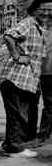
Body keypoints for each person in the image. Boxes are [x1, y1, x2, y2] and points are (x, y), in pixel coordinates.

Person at [0, 0, 52, 157]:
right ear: (35, 9)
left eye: (50, 10)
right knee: (17, 114)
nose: (47, 13)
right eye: (43, 9)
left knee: (18, 113)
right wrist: (16, 55)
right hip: (14, 77)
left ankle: (9, 145)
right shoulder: (29, 23)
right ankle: (15, 149)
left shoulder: (39, 28)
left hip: (24, 79)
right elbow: (8, 36)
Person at [36, 11, 52, 144]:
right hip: (47, 72)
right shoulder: (45, 33)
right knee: (49, 104)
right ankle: (43, 135)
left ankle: (44, 135)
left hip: (46, 72)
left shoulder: (43, 32)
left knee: (49, 104)